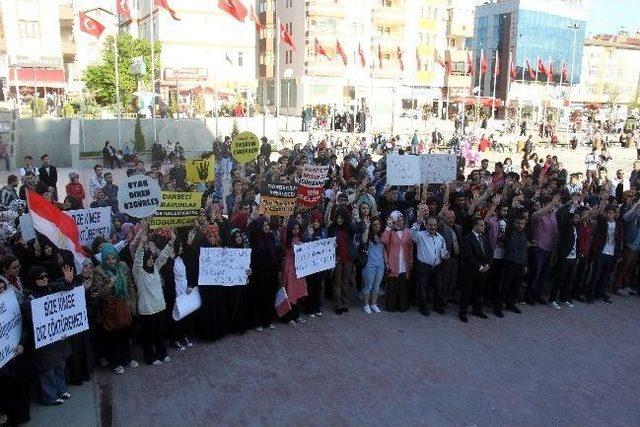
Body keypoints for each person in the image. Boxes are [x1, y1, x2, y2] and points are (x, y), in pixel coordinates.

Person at [24, 265, 75, 405]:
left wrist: (68, 281)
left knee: (60, 363)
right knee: (47, 368)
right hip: (42, 339)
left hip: (57, 336)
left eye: (46, 276)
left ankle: (61, 389)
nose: (45, 279)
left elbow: (67, 289)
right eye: (40, 277)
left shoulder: (51, 288)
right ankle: (50, 396)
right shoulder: (29, 298)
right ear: (33, 279)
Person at [92, 243, 139, 375]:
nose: (111, 261)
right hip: (109, 309)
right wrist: (110, 284)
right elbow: (97, 294)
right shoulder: (98, 271)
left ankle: (127, 358)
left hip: (124, 305)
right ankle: (115, 363)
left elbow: (130, 285)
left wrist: (132, 303)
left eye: (113, 258)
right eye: (107, 259)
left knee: (125, 333)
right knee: (113, 337)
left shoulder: (123, 266)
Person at [133, 226, 174, 365]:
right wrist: (141, 245)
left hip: (159, 307)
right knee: (148, 336)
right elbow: (138, 260)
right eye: (149, 258)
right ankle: (150, 357)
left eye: (151, 258)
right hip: (147, 310)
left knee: (159, 334)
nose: (151, 260)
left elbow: (163, 257)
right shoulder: (139, 273)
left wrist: (171, 241)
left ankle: (162, 354)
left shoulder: (155, 268)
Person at [411, 213, 449, 317]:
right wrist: (418, 222)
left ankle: (437, 306)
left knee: (438, 288)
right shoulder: (420, 235)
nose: (432, 227)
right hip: (423, 267)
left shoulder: (440, 237)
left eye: (434, 225)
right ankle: (423, 307)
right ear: (426, 225)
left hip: (436, 267)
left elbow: (443, 251)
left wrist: (445, 254)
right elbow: (412, 233)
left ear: (437, 225)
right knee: (423, 289)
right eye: (430, 225)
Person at [459, 217, 491, 322]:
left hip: (483, 271)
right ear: (475, 226)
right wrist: (480, 267)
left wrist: (488, 264)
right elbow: (469, 256)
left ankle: (477, 310)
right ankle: (463, 312)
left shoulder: (485, 238)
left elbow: (490, 252)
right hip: (471, 271)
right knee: (467, 291)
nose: (484, 227)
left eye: (484, 225)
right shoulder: (467, 238)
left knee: (479, 291)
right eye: (481, 225)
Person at [381, 211, 413, 312]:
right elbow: (383, 241)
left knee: (403, 287)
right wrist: (388, 227)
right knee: (393, 287)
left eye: (402, 219)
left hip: (405, 264)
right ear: (394, 221)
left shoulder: (408, 231)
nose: (400, 222)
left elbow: (411, 247)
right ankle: (392, 307)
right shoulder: (390, 231)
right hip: (393, 264)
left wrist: (411, 261)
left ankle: (403, 306)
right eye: (398, 220)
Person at [360, 216, 386, 314]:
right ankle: (366, 304)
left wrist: (385, 263)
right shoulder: (368, 235)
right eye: (374, 225)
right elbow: (364, 240)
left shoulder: (382, 236)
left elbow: (384, 250)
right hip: (369, 265)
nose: (377, 226)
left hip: (380, 265)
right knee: (368, 286)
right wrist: (367, 227)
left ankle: (374, 304)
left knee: (376, 286)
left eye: (378, 224)